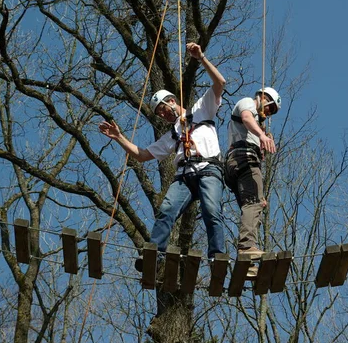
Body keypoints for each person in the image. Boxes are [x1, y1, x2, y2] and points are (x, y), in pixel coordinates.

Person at [98, 42, 226, 270]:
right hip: (184, 175)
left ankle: (217, 256)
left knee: (212, 211)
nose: (164, 116)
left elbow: (220, 83)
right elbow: (142, 155)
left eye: (165, 110)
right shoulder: (171, 135)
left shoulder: (201, 109)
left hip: (209, 169)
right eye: (160, 114)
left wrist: (201, 58)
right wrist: (119, 137)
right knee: (166, 210)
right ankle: (155, 254)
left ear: (173, 101)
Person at [224, 87, 281, 278]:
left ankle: (247, 263)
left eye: (272, 112)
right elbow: (247, 118)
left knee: (253, 207)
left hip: (238, 162)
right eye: (270, 107)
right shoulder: (248, 102)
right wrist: (262, 136)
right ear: (263, 97)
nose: (269, 112)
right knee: (254, 204)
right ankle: (247, 247)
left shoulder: (256, 124)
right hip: (244, 159)